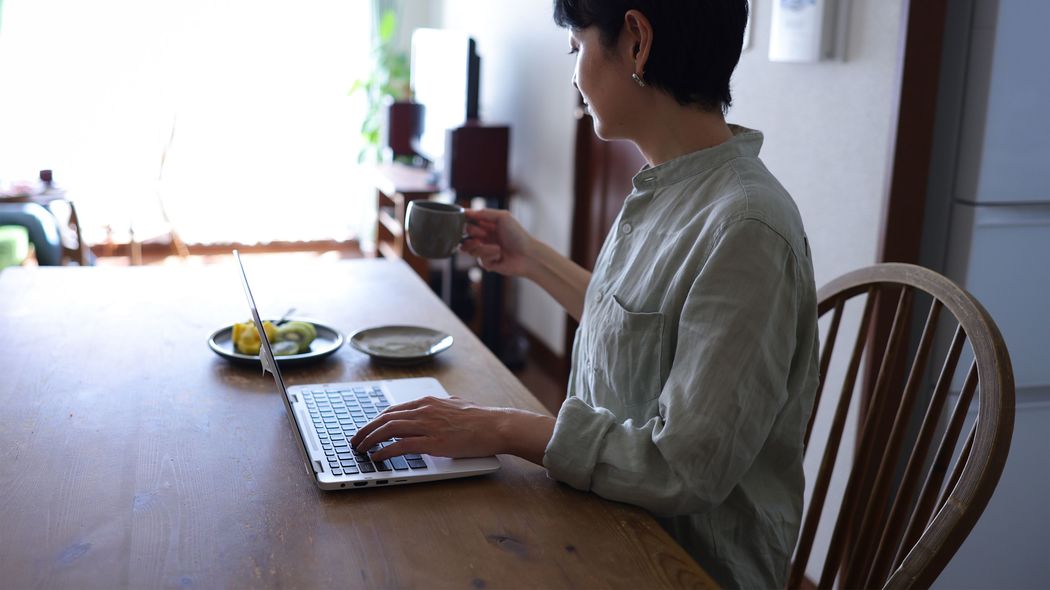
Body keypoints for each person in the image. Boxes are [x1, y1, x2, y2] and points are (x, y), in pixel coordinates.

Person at [351, 1, 820, 587]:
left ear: (636, 42)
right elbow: (639, 331)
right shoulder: (672, 186)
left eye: (576, 47)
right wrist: (531, 258)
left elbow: (680, 469)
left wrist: (501, 427)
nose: (574, 74)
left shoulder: (747, 229)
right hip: (601, 514)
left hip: (677, 563)